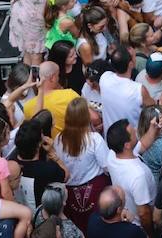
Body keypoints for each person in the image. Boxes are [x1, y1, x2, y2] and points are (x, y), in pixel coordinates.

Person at [53, 97, 112, 234]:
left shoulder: (58, 139)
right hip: (95, 191)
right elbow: (107, 166)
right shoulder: (94, 139)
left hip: (70, 196)